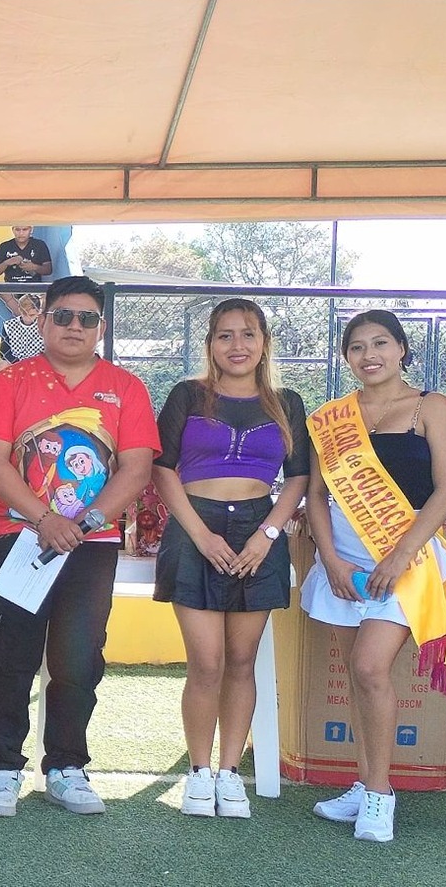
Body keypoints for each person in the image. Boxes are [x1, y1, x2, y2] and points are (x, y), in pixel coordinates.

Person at [0, 275, 157, 818]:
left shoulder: (126, 387)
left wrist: (85, 521)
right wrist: (44, 518)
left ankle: (66, 767)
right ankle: (0, 768)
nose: (74, 326)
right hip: (20, 539)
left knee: (78, 659)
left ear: (101, 326)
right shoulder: (11, 381)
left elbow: (136, 469)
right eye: (63, 316)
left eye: (87, 318)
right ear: (44, 320)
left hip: (91, 545)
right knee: (10, 656)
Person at [303, 309, 446, 844]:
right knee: (357, 676)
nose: (368, 355)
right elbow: (316, 496)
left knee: (369, 667)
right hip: (344, 562)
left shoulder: (431, 408)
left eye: (380, 343)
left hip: (407, 561)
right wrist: (330, 560)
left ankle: (380, 796)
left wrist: (400, 556)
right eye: (356, 347)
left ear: (402, 349)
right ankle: (363, 782)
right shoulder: (330, 418)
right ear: (346, 357)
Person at [151, 299, 311, 819]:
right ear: (210, 344)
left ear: (264, 342)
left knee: (242, 662)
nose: (237, 345)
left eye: (247, 334)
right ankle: (198, 772)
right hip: (195, 528)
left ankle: (229, 772)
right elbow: (162, 469)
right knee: (207, 662)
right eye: (225, 335)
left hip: (258, 532)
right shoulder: (187, 394)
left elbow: (298, 477)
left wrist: (267, 534)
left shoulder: (287, 402)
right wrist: (199, 534)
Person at [0, 293, 45, 371]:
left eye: (31, 315)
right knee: (2, 365)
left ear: (38, 311)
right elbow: (4, 352)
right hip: (16, 362)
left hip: (38, 362)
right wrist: (20, 362)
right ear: (19, 309)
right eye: (24, 314)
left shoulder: (43, 325)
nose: (27, 318)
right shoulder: (9, 325)